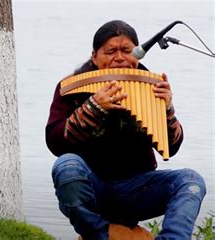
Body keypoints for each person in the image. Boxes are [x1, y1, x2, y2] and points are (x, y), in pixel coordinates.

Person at [46, 20, 205, 240]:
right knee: (66, 165)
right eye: (110, 51)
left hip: (138, 189)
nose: (119, 58)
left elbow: (171, 147)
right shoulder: (72, 88)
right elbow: (55, 144)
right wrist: (93, 108)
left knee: (191, 181)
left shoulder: (151, 87)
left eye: (127, 51)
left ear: (138, 55)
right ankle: (101, 235)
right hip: (92, 189)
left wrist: (167, 109)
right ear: (94, 56)